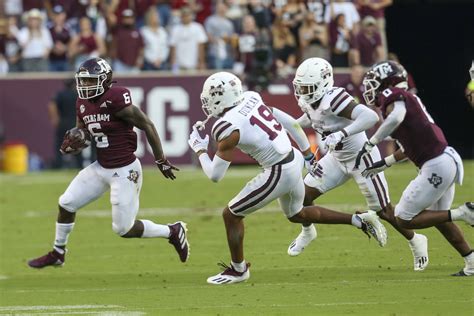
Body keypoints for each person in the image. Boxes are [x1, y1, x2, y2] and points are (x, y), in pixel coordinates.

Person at [187, 71, 387, 284]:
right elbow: (291, 122)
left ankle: (239, 270)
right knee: (296, 213)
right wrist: (308, 154)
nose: (207, 102)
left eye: (210, 97)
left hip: (278, 171)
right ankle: (360, 221)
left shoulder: (226, 127)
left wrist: (199, 149)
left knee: (231, 214)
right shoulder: (251, 97)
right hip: (294, 157)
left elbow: (215, 175)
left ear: (221, 97)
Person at [28, 57, 189, 268]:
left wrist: (161, 159)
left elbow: (147, 125)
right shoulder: (82, 102)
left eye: (90, 80)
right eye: (83, 81)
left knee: (123, 229)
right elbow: (83, 132)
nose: (85, 86)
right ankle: (58, 252)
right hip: (101, 167)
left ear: (105, 80)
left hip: (125, 170)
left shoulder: (116, 98)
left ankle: (172, 231)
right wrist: (76, 142)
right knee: (66, 203)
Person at [289, 58, 429, 271]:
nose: (302, 92)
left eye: (307, 87)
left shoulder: (334, 98)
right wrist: (289, 127)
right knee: (301, 197)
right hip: (336, 159)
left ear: (323, 83)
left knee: (384, 211)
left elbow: (370, 117)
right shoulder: (310, 102)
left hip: (362, 159)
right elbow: (312, 118)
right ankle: (308, 232)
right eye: (300, 87)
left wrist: (342, 133)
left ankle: (416, 240)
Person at [355, 60, 473, 276]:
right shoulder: (409, 98)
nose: (370, 88)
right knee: (440, 218)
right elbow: (407, 147)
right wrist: (385, 163)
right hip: (445, 159)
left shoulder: (394, 97)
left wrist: (372, 142)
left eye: (374, 82)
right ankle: (472, 262)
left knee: (403, 218)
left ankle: (463, 213)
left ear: (386, 82)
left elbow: (397, 116)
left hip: (436, 164)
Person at [48, 79, 83, 169]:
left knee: (60, 145)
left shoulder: (60, 94)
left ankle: (58, 165)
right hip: (75, 123)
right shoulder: (77, 95)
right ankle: (79, 165)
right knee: (77, 146)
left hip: (63, 123)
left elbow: (52, 105)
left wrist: (55, 119)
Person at [169, 6, 207, 71]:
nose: (185, 17)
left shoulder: (198, 27)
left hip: (194, 65)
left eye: (187, 15)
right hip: (179, 65)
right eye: (184, 15)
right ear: (181, 17)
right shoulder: (175, 29)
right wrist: (173, 64)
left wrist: (201, 62)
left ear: (191, 16)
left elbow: (201, 46)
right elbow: (173, 48)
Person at [112, 9, 144, 73]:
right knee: (120, 82)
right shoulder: (118, 31)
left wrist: (140, 60)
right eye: (126, 18)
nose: (128, 20)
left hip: (134, 65)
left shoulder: (137, 32)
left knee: (135, 83)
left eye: (130, 17)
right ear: (123, 19)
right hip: (120, 63)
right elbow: (114, 45)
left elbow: (141, 47)